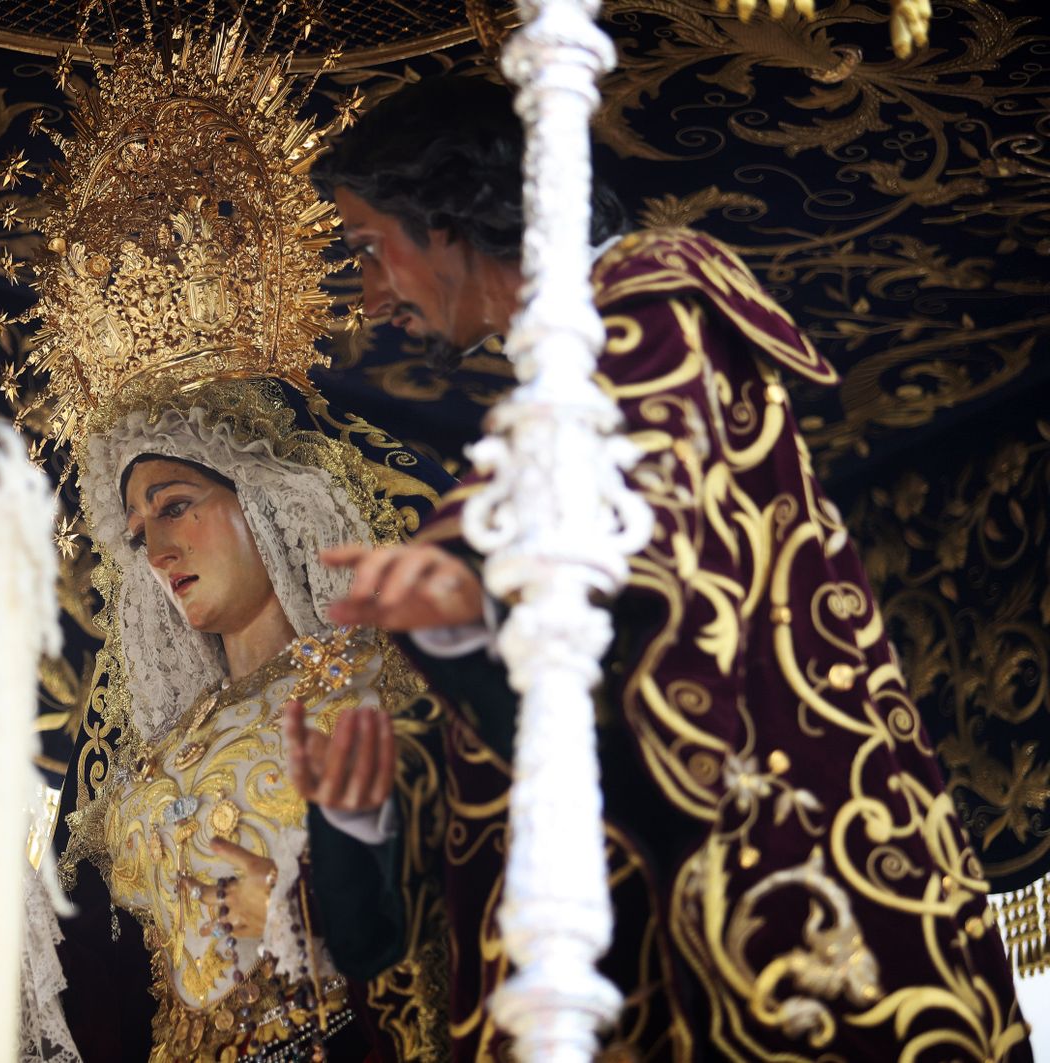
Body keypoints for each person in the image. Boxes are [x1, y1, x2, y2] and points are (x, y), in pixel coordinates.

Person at [286, 74, 1033, 1061]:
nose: (373, 297)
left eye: (368, 250)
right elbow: (550, 756)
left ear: (455, 217)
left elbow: (669, 623)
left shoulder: (653, 310)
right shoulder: (560, 397)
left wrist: (463, 594)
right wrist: (362, 808)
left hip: (767, 917)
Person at [51, 379, 450, 1062]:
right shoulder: (153, 754)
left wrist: (309, 923)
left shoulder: (380, 684)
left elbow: (450, 895)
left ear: (263, 499)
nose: (158, 552)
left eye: (176, 505)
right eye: (139, 533)